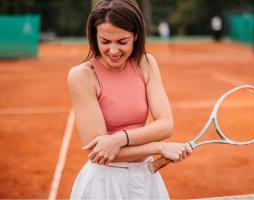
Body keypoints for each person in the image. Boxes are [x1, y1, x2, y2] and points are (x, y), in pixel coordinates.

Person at [67, 0, 192, 199]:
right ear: (94, 37)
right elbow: (99, 152)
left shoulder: (146, 62)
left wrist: (118, 138)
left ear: (135, 35)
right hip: (104, 183)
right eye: (105, 41)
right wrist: (158, 147)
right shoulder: (81, 76)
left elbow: (166, 125)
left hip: (146, 178)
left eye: (122, 41)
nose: (113, 51)